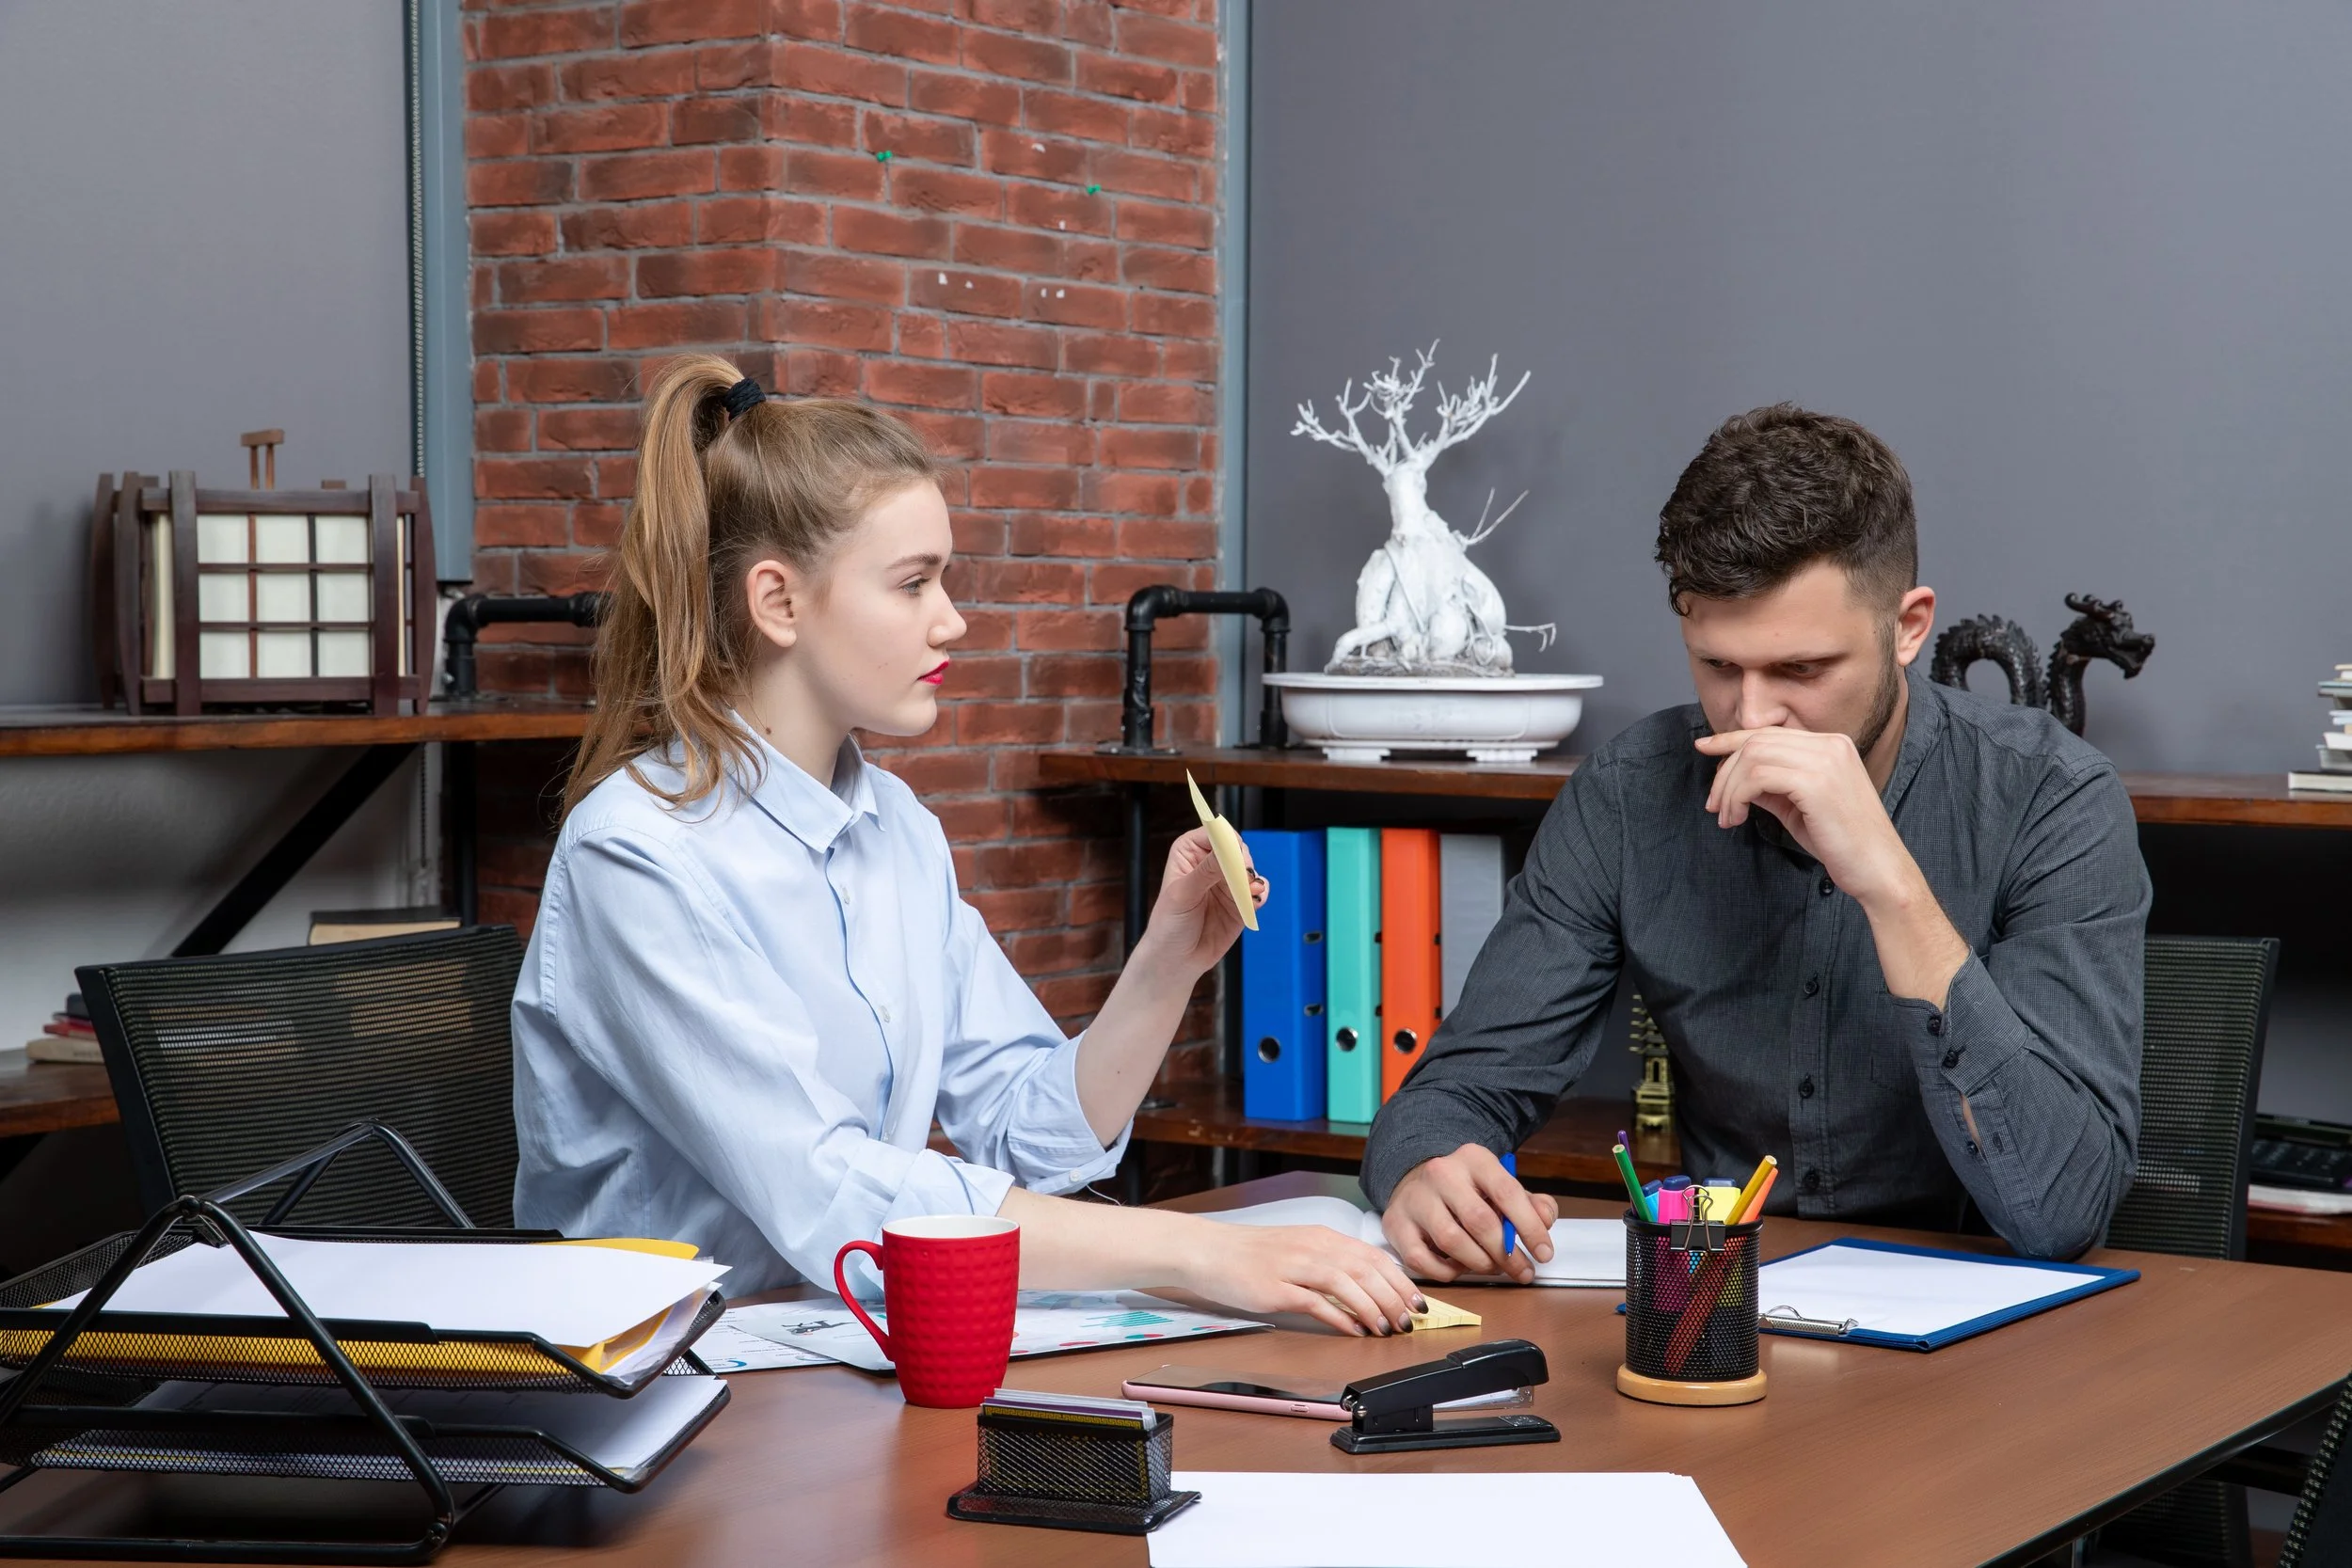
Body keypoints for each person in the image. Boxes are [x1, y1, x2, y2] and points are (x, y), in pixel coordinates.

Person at [514, 354, 1422, 1337]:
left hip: (836, 1353)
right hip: (670, 1385)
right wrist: (1205, 1252)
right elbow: (832, 1195)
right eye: (913, 583)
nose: (952, 618)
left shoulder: (895, 827)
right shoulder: (638, 857)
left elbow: (1032, 1132)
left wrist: (1169, 958)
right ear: (777, 601)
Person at [1364, 404, 2149, 1273]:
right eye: (1718, 665)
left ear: (1909, 628)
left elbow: (2063, 1210)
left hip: (1997, 1335)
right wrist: (1430, 1164)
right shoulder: (1628, 797)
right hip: (1715, 1307)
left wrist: (1892, 888)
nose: (1752, 715)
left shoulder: (2052, 797)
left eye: (1802, 671)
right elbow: (1456, 1090)